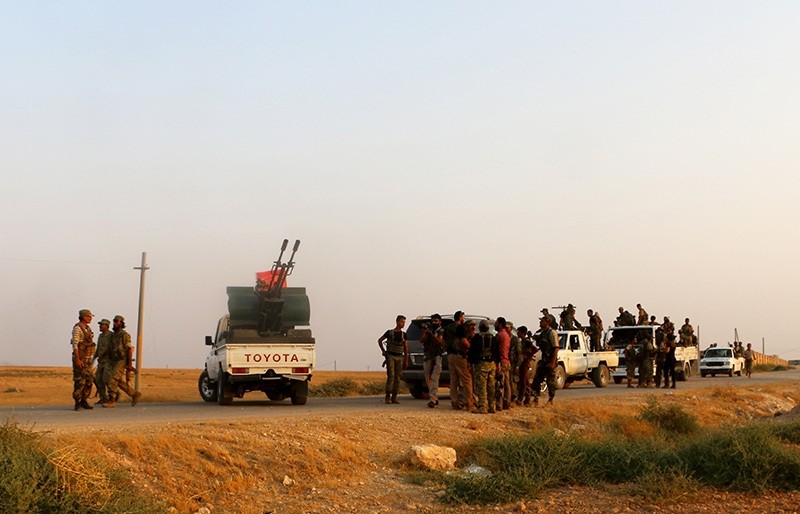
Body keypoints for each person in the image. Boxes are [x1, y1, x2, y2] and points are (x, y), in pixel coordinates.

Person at [103, 315, 142, 407]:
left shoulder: (124, 335)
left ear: (121, 323)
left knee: (113, 379)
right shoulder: (112, 335)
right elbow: (109, 348)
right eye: (114, 321)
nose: (115, 323)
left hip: (121, 360)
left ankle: (112, 400)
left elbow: (130, 349)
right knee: (106, 378)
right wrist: (102, 357)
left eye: (117, 321)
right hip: (112, 360)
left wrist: (129, 364)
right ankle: (133, 394)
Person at [468, 320, 498, 414]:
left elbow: (472, 351)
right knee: (491, 386)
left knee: (481, 387)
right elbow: (497, 352)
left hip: (481, 365)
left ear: (480, 328)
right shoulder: (493, 338)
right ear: (488, 328)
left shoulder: (477, 338)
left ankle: (482, 406)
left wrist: (471, 363)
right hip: (492, 365)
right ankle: (492, 407)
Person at [378, 315, 409, 404]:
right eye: (402, 322)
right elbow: (380, 340)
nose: (403, 324)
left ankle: (394, 397)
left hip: (400, 357)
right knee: (391, 376)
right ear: (397, 321)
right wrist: (383, 351)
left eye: (404, 322)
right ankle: (388, 397)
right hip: (391, 356)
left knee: (398, 377)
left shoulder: (404, 334)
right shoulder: (389, 332)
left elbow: (406, 348)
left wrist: (406, 360)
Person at [71, 309, 96, 411]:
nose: (90, 318)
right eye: (89, 316)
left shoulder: (88, 329)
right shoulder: (78, 328)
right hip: (80, 358)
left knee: (89, 380)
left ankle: (84, 400)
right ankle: (77, 402)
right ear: (84, 317)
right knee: (79, 381)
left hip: (87, 358)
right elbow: (75, 345)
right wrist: (77, 359)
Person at [448, 316, 475, 412]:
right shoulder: (464, 335)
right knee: (467, 380)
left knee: (454, 381)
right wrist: (472, 349)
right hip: (460, 357)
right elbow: (464, 342)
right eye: (472, 326)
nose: (474, 328)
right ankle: (469, 404)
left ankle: (455, 403)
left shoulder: (457, 334)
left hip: (452, 356)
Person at [531, 317, 558, 406]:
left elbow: (555, 348)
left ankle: (551, 400)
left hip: (550, 360)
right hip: (544, 360)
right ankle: (535, 399)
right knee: (537, 380)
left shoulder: (552, 333)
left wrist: (552, 362)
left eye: (542, 321)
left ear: (547, 322)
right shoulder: (543, 333)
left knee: (550, 382)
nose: (540, 322)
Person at [419, 313, 445, 408]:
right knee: (427, 377)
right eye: (433, 321)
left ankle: (432, 399)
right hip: (428, 355)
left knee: (435, 377)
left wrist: (430, 334)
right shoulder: (428, 330)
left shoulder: (441, 330)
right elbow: (421, 340)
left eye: (436, 321)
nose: (434, 322)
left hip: (437, 355)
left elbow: (439, 341)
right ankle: (434, 397)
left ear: (439, 322)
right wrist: (424, 332)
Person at [494, 317, 512, 411]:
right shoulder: (507, 335)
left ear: (500, 324)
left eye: (496, 323)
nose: (495, 325)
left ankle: (499, 404)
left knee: (500, 384)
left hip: (501, 362)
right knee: (507, 384)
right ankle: (507, 403)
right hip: (506, 361)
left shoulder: (500, 335)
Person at [93, 318, 113, 405]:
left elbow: (111, 349)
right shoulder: (101, 336)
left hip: (108, 361)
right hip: (101, 361)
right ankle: (103, 398)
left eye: (102, 325)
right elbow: (98, 348)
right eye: (100, 325)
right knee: (97, 379)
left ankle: (112, 395)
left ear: (107, 326)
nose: (100, 326)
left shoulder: (111, 336)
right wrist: (94, 358)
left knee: (106, 379)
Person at [515, 326, 533, 406]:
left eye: (518, 332)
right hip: (523, 363)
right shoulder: (522, 341)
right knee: (525, 381)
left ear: (522, 333)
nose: (517, 333)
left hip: (524, 363)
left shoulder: (526, 342)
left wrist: (526, 357)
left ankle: (521, 398)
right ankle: (527, 399)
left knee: (523, 382)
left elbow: (531, 351)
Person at [508, 321, 524, 404]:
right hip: (507, 363)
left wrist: (517, 366)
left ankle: (514, 398)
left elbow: (519, 354)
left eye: (508, 328)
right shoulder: (505, 338)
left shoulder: (515, 340)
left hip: (514, 364)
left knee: (513, 382)